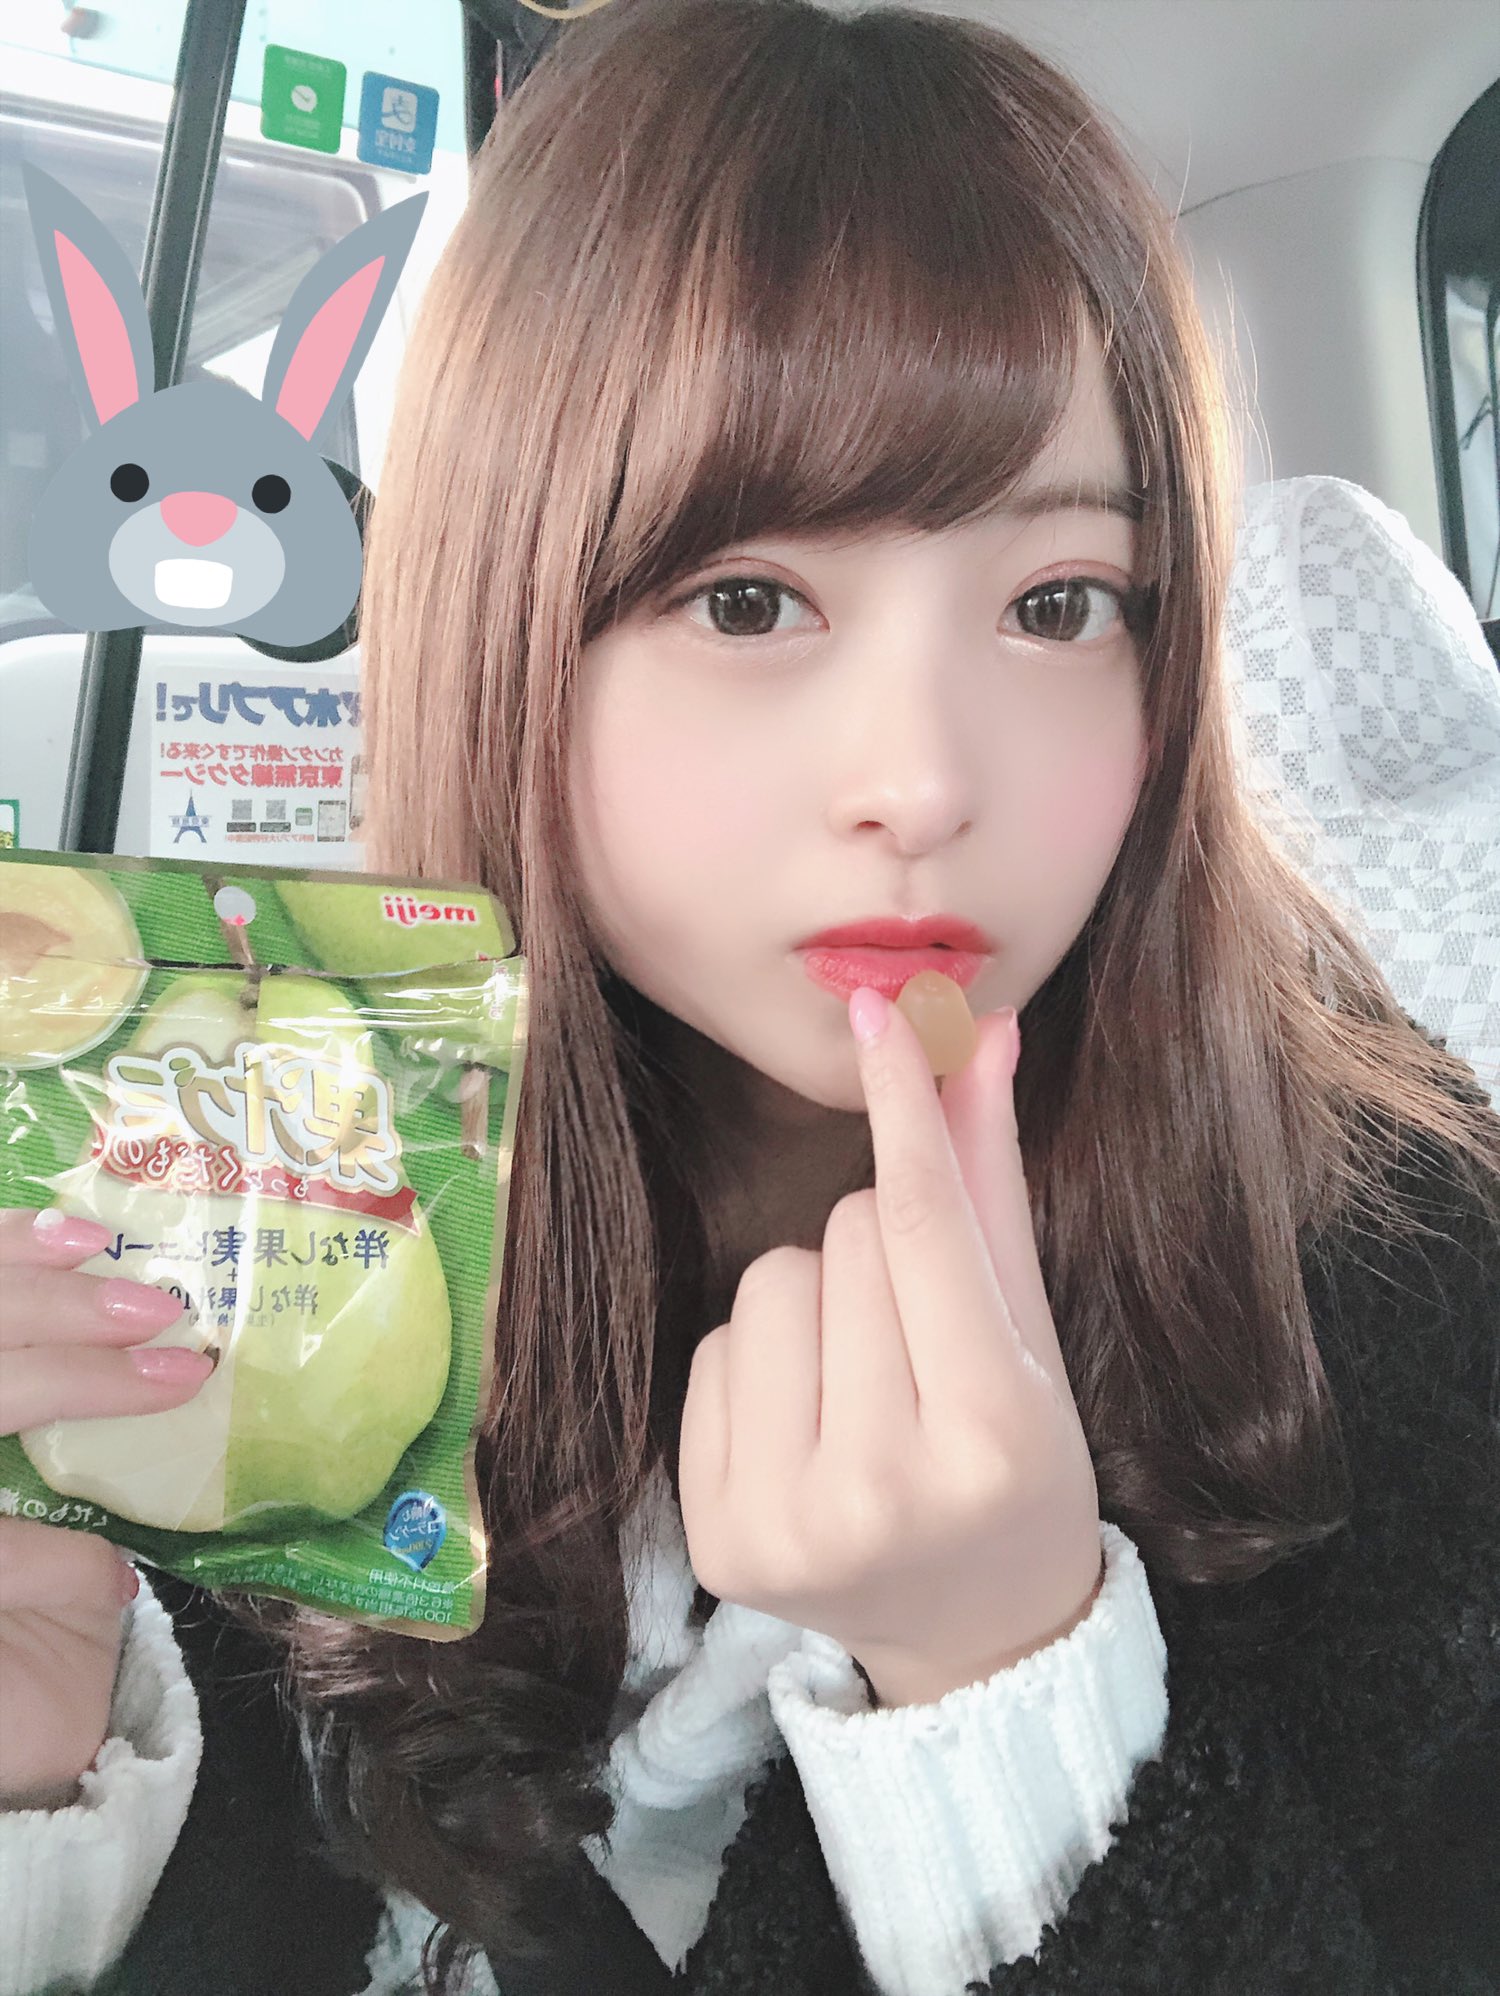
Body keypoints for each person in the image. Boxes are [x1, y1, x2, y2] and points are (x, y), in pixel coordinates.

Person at [2, 2, 1497, 1992]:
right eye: (748, 600)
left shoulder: (1401, 1281)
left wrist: (1012, 1693)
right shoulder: (258, 1202)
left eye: (1059, 604)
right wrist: (52, 1793)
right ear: (506, 630)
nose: (924, 779)